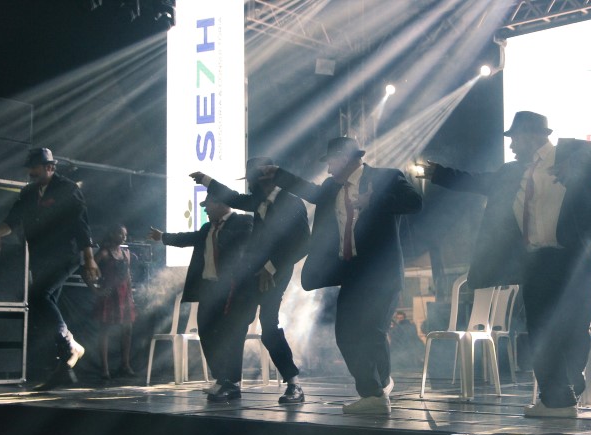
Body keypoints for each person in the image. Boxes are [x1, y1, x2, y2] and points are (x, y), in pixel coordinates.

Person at [420, 111, 591, 418]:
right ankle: (556, 399)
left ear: (532, 135)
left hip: (572, 260)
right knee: (541, 330)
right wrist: (438, 173)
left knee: (574, 326)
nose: (512, 145)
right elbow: (476, 182)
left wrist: (581, 163)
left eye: (514, 138)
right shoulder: (511, 172)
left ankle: (569, 382)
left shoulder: (572, 151)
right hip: (535, 261)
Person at [260, 137, 423, 415]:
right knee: (346, 335)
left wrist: (375, 199)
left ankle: (376, 391)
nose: (328, 168)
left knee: (373, 332)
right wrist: (279, 175)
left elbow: (415, 202)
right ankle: (376, 390)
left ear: (346, 158)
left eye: (332, 162)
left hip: (381, 273)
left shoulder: (385, 177)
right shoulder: (331, 187)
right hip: (352, 273)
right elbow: (310, 191)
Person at [190, 157, 310, 404]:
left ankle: (294, 384)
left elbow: (302, 244)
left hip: (276, 272)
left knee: (269, 327)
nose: (251, 185)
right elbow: (233, 198)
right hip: (253, 271)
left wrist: (271, 267)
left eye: (254, 179)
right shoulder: (259, 200)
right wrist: (206, 180)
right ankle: (232, 383)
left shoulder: (291, 202)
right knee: (236, 324)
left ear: (267, 179)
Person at [0, 148, 100, 390]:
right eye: (30, 168)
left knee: (38, 296)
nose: (31, 172)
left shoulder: (67, 188)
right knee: (44, 307)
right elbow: (14, 219)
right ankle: (64, 364)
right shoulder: (28, 192)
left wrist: (89, 258)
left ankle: (69, 345)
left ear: (50, 167)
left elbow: (81, 224)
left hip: (66, 254)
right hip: (41, 257)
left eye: (35, 168)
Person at [148, 191, 257, 402]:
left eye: (208, 204)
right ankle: (222, 377)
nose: (205, 209)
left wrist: (222, 231)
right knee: (206, 332)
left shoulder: (243, 222)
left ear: (221, 204)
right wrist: (163, 237)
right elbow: (187, 238)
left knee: (231, 336)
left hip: (232, 289)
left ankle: (232, 383)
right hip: (208, 290)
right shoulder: (208, 228)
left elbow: (243, 246)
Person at [91, 224, 136, 380]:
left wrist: (131, 295)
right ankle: (105, 369)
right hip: (109, 296)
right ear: (112, 234)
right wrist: (96, 289)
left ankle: (125, 365)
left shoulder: (126, 253)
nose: (123, 237)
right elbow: (86, 270)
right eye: (120, 234)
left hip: (124, 295)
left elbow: (128, 276)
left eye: (125, 234)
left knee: (127, 330)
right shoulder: (103, 253)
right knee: (105, 331)